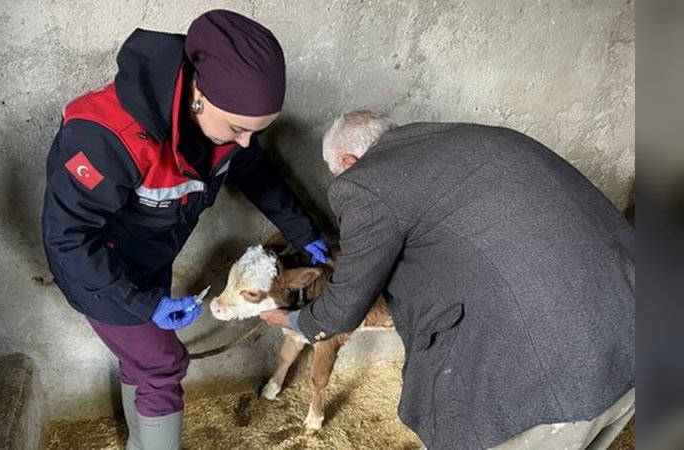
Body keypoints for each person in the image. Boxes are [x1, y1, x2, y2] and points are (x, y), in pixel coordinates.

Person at [261, 111, 635, 449]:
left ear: (348, 162)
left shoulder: (362, 183)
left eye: (338, 174)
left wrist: (293, 320)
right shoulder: (478, 137)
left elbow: (344, 308)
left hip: (553, 374)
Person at [41, 10, 328, 450]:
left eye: (255, 131)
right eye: (238, 128)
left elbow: (254, 169)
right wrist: (142, 303)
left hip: (151, 257)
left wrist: (302, 229)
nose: (245, 141)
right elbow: (68, 238)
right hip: (98, 269)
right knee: (163, 365)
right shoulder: (106, 137)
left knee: (142, 365)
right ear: (199, 93)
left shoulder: (225, 131)